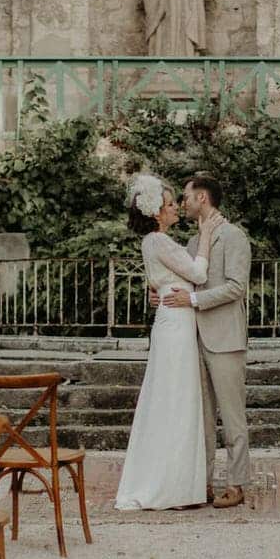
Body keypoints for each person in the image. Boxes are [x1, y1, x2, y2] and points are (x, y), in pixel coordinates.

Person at [115, 175, 219, 510]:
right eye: (171, 204)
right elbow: (198, 274)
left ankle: (177, 482)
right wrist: (204, 236)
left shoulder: (154, 242)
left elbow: (167, 281)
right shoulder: (158, 241)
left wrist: (160, 293)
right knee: (175, 398)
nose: (176, 208)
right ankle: (170, 485)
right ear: (157, 211)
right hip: (175, 326)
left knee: (175, 397)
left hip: (174, 321)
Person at [161, 174, 251, 509]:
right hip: (193, 339)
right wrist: (163, 295)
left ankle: (237, 483)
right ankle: (203, 484)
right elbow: (186, 281)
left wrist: (194, 301)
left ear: (202, 198)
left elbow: (235, 287)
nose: (182, 203)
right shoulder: (192, 242)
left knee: (231, 416)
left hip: (225, 338)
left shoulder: (234, 236)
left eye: (185, 197)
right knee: (200, 418)